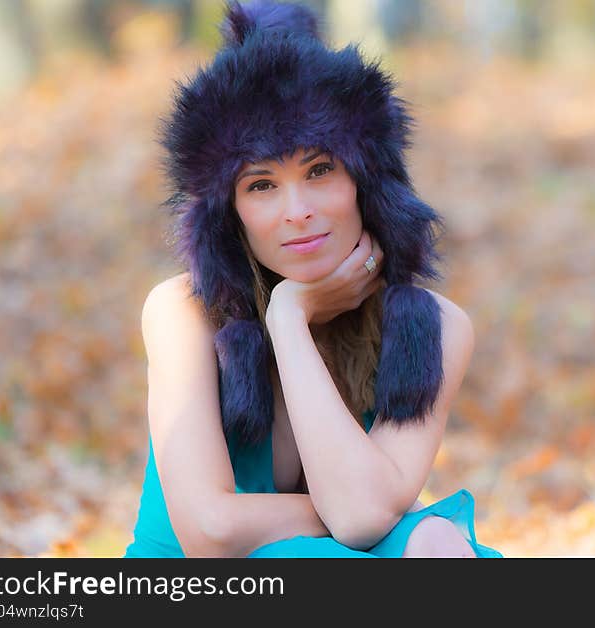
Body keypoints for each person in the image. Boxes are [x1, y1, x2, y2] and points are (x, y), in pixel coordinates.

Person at [123, 0, 503, 558]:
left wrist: (291, 321)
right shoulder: (183, 312)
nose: (296, 210)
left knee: (439, 547)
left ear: (367, 182)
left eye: (320, 170)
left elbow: (361, 518)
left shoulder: (434, 327)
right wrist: (287, 315)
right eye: (261, 185)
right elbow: (212, 531)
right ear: (229, 213)